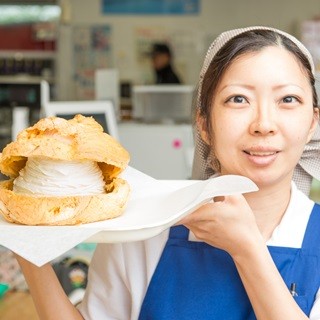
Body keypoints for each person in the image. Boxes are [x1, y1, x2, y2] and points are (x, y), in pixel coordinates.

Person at [15, 26, 320, 319]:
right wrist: (27, 247)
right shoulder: (145, 231)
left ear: (312, 123)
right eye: (238, 99)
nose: (263, 124)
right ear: (204, 124)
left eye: (288, 99)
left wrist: (247, 250)